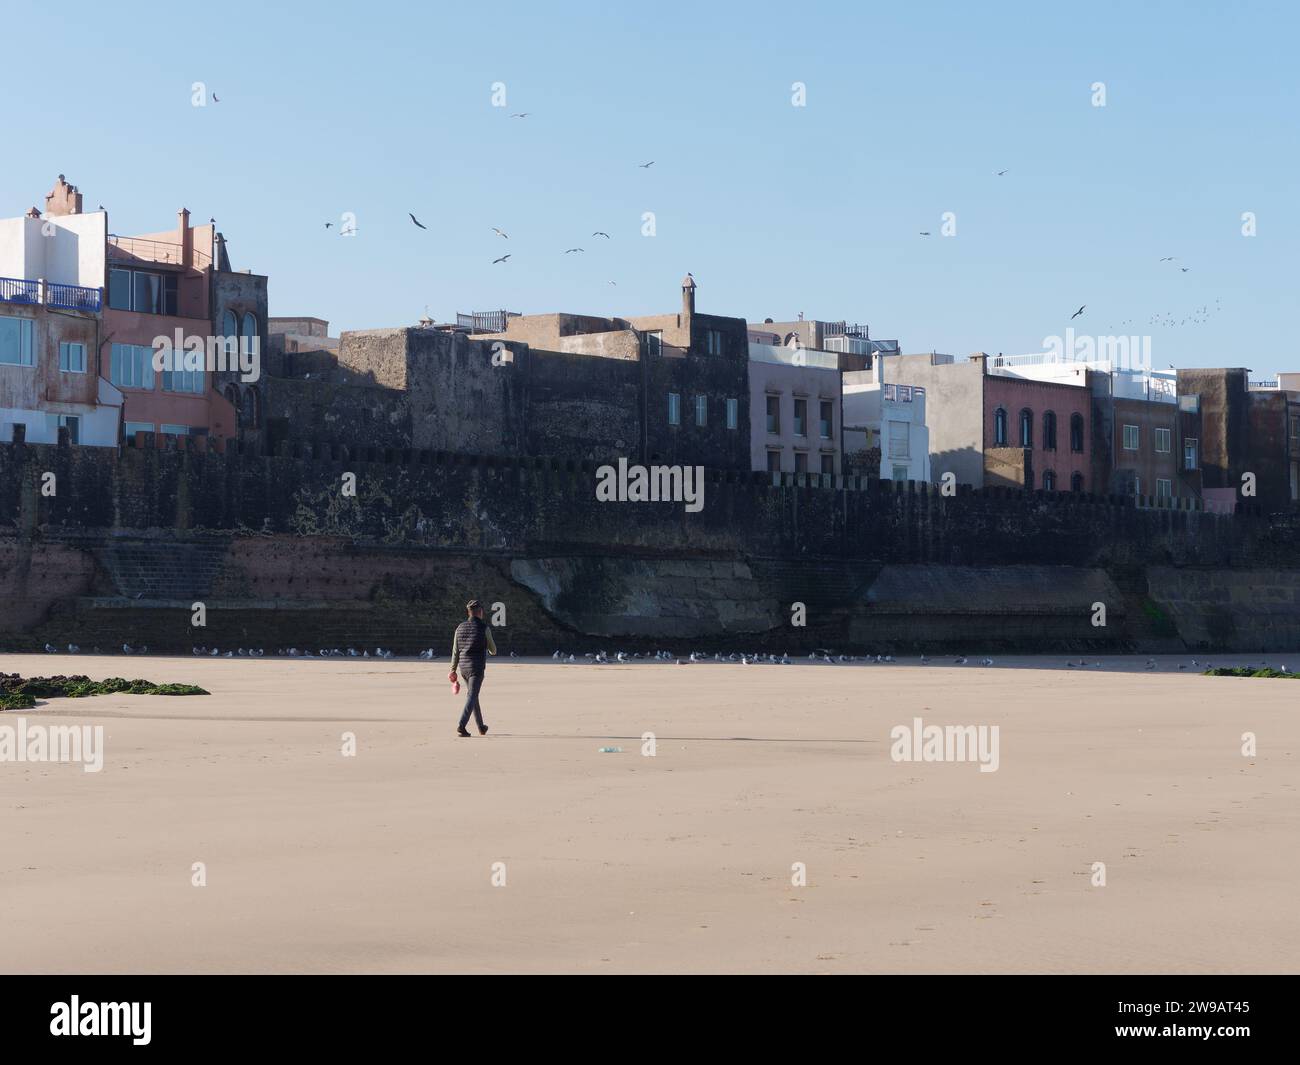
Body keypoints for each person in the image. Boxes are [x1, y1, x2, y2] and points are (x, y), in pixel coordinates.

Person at [448, 599, 497, 737]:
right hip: (476, 668)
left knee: (473, 696)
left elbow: (455, 651)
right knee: (472, 695)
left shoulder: (459, 627)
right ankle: (461, 725)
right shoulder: (484, 628)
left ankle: (481, 727)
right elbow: (493, 651)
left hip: (463, 668)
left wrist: (452, 670)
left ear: (468, 612)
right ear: (480, 612)